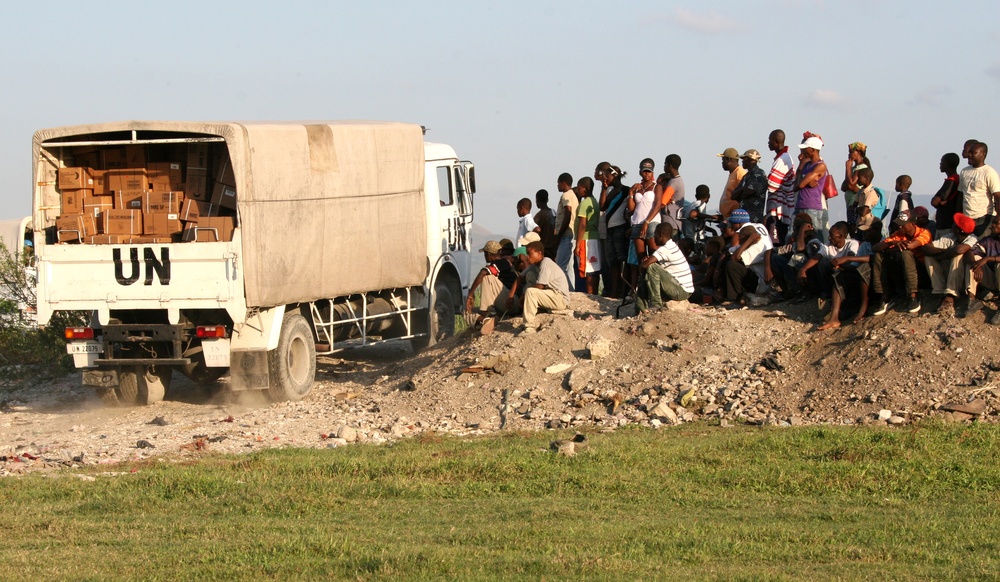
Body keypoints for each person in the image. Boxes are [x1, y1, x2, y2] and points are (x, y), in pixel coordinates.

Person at [819, 222, 882, 329]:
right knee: (839, 276)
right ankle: (834, 318)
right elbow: (854, 267)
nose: (862, 233)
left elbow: (874, 258)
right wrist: (840, 267)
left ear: (876, 230)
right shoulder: (865, 245)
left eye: (866, 231)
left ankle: (863, 309)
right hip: (862, 280)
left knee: (864, 267)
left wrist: (847, 258)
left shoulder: (884, 241)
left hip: (879, 280)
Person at [871, 214, 933, 315]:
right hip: (905, 271)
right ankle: (885, 297)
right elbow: (876, 248)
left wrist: (893, 247)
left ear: (912, 223)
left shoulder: (924, 232)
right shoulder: (898, 234)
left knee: (906, 253)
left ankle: (913, 295)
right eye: (898, 224)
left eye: (903, 224)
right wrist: (892, 243)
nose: (900, 227)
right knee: (878, 256)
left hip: (922, 271)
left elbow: (911, 246)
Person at [923, 212, 977, 315]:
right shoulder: (951, 236)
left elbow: (959, 250)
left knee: (958, 256)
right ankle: (940, 291)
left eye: (955, 224)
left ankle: (951, 295)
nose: (952, 225)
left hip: (964, 276)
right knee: (929, 257)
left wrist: (943, 254)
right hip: (950, 270)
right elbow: (927, 248)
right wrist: (945, 253)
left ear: (959, 229)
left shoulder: (972, 239)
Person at [465, 240, 519, 334]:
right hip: (502, 304)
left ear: (488, 253)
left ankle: (490, 315)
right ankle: (484, 321)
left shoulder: (503, 262)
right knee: (466, 311)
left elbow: (483, 272)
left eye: (485, 254)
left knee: (487, 278)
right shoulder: (497, 264)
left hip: (512, 301)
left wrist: (470, 294)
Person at [636, 223, 694, 311]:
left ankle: (656, 304)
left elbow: (645, 265)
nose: (654, 238)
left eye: (655, 235)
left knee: (651, 267)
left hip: (682, 290)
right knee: (651, 268)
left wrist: (645, 265)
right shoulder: (671, 246)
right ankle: (641, 307)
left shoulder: (666, 249)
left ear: (660, 235)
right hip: (682, 288)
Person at [520, 241, 571, 333]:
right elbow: (521, 276)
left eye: (530, 254)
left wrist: (524, 296)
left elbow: (540, 286)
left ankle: (529, 327)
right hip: (552, 295)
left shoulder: (546, 263)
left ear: (539, 253)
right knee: (530, 275)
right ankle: (535, 309)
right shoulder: (535, 265)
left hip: (560, 299)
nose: (527, 257)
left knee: (531, 292)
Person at [596, 163, 629, 298]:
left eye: (607, 176)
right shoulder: (609, 191)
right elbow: (602, 207)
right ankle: (614, 291)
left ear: (614, 175)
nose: (605, 178)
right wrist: (604, 189)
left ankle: (623, 291)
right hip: (610, 229)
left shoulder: (626, 190)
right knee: (613, 262)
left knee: (622, 261)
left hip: (620, 228)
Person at [627, 158, 660, 292]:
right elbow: (631, 210)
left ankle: (655, 287)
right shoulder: (637, 188)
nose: (646, 174)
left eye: (649, 171)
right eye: (644, 171)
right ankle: (642, 289)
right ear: (640, 171)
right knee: (641, 258)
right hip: (636, 223)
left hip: (651, 222)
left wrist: (647, 222)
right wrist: (630, 193)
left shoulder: (656, 186)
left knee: (653, 255)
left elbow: (657, 205)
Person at [794, 133, 831, 243]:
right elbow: (796, 185)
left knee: (815, 236)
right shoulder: (806, 165)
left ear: (813, 149)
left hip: (812, 207)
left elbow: (799, 185)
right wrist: (805, 180)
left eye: (806, 148)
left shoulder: (820, 165)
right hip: (801, 204)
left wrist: (803, 182)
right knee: (795, 234)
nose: (803, 151)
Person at [958, 142, 1000, 237]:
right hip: (967, 218)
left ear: (982, 154)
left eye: (973, 153)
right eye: (970, 152)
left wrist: (998, 215)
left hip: (983, 218)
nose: (969, 155)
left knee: (979, 246)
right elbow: (961, 195)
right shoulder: (964, 171)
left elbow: (997, 196)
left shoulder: (989, 172)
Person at [765, 129, 797, 245]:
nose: (768, 143)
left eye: (770, 140)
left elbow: (771, 185)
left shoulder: (783, 159)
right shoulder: (781, 157)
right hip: (778, 207)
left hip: (780, 208)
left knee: (778, 241)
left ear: (777, 141)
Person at [575, 176, 602, 294]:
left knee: (588, 270)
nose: (578, 190)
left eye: (579, 188)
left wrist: (577, 244)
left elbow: (582, 224)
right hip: (594, 238)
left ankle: (590, 295)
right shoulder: (594, 201)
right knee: (594, 268)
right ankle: (595, 294)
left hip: (586, 239)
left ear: (585, 189)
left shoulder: (585, 203)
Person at [553, 172, 578, 291]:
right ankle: (571, 291)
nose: (557, 185)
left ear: (563, 183)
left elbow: (567, 215)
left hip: (566, 235)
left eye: (558, 183)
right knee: (569, 267)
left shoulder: (566, 196)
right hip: (571, 235)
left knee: (560, 267)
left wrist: (559, 235)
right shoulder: (573, 195)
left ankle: (563, 291)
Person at [730, 149, 767, 223]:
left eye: (744, 159)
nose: (742, 161)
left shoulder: (759, 174)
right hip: (743, 220)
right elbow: (733, 195)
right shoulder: (746, 176)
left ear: (751, 160)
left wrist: (742, 191)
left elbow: (748, 192)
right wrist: (743, 188)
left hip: (753, 220)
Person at [841, 142, 872, 227]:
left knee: (853, 225)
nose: (849, 154)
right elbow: (844, 187)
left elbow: (850, 185)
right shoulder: (854, 168)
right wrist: (849, 169)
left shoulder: (861, 167)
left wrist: (847, 168)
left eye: (851, 152)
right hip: (850, 201)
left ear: (859, 153)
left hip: (854, 202)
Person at [930, 154, 961, 234]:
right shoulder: (956, 179)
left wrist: (938, 203)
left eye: (942, 162)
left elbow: (934, 202)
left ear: (947, 164)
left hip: (946, 223)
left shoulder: (952, 180)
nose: (940, 164)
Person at [656, 154, 685, 232]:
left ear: (670, 166)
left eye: (665, 164)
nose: (664, 167)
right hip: (675, 223)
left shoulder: (673, 183)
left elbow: (662, 204)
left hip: (670, 223)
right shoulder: (678, 180)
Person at [717, 147, 746, 220]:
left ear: (729, 160)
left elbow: (744, 192)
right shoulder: (733, 173)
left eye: (723, 160)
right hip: (728, 217)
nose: (722, 163)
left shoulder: (739, 172)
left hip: (735, 217)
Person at [534, 189, 558, 259]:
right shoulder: (554, 214)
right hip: (554, 249)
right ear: (547, 200)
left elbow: (534, 234)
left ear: (537, 201)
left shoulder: (538, 216)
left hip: (543, 250)